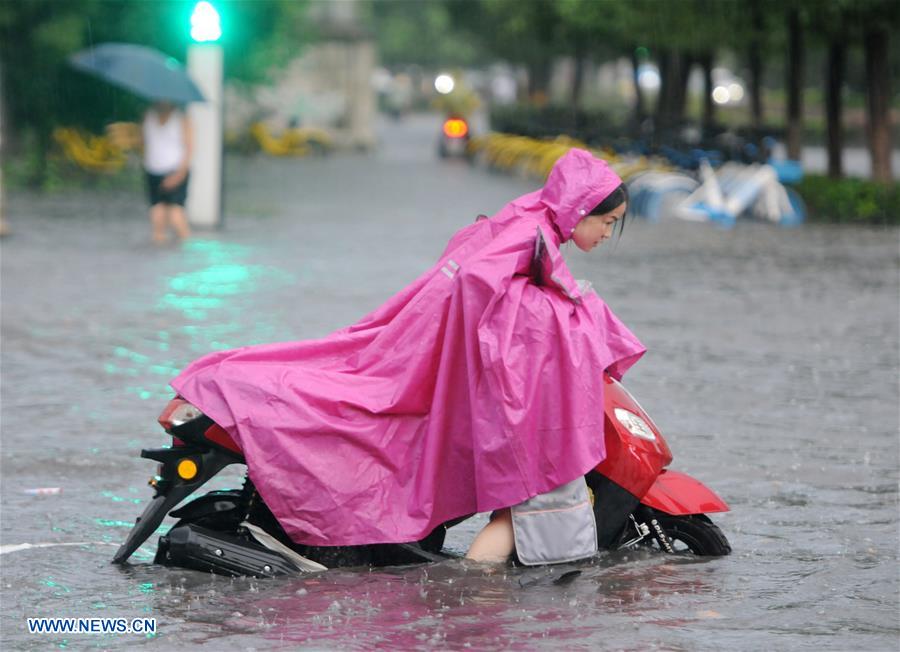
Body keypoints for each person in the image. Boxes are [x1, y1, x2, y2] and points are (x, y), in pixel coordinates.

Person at [170, 148, 645, 565]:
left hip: (428, 349)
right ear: (580, 209)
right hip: (431, 359)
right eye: (607, 221)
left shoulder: (524, 221)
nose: (608, 233)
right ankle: (470, 593)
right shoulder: (529, 233)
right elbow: (480, 286)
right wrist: (568, 314)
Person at [109, 101, 193, 244]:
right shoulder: (182, 119)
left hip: (153, 166)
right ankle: (187, 243)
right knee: (175, 209)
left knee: (157, 206)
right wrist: (181, 172)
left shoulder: (147, 115)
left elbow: (141, 142)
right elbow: (190, 146)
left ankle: (159, 241)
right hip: (173, 167)